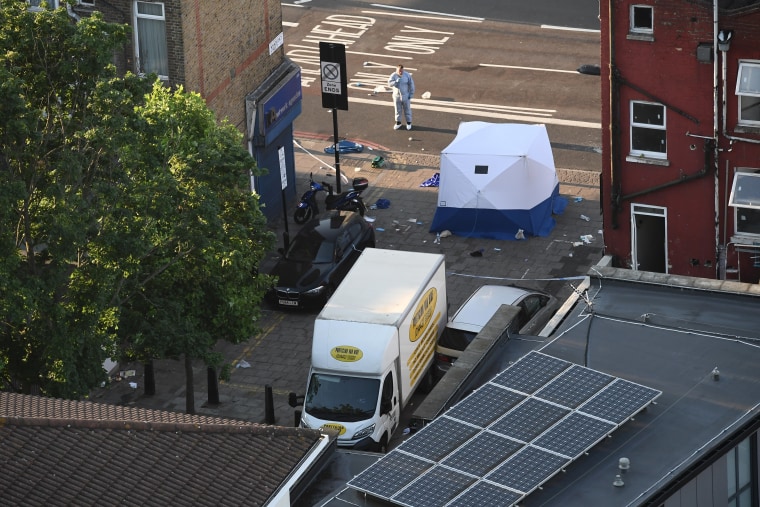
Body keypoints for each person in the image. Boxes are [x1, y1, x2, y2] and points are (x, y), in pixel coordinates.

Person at [387, 64, 415, 130]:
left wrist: (411, 94)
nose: (400, 72)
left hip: (405, 95)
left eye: (401, 71)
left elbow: (411, 84)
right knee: (397, 110)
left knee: (407, 109)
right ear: (397, 70)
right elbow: (389, 83)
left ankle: (408, 123)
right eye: (399, 71)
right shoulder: (393, 75)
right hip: (397, 96)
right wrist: (395, 82)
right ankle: (398, 123)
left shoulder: (407, 75)